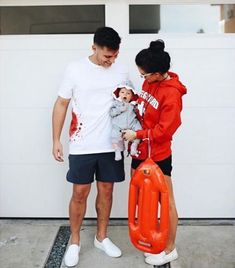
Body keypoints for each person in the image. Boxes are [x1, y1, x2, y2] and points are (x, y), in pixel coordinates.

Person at [52, 26, 129, 267]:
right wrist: (56, 139)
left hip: (111, 144)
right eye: (107, 56)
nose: (111, 60)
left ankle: (101, 237)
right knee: (79, 193)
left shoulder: (122, 70)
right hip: (82, 143)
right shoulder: (75, 69)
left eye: (115, 55)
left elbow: (129, 102)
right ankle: (74, 241)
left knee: (106, 191)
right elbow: (62, 104)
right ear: (93, 47)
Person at [123, 39, 187, 266]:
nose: (144, 80)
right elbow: (147, 105)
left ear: (160, 73)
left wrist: (137, 135)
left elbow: (164, 131)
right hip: (140, 151)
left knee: (166, 202)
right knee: (142, 199)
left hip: (158, 156)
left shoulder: (172, 94)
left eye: (145, 76)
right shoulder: (152, 83)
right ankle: (152, 239)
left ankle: (169, 249)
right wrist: (134, 98)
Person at [110, 80, 141, 161]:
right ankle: (117, 151)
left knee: (139, 130)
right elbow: (111, 113)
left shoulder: (132, 104)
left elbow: (137, 113)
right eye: (122, 92)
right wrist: (120, 109)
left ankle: (134, 146)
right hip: (118, 126)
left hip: (131, 124)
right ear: (118, 94)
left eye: (128, 93)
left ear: (131, 96)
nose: (125, 95)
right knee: (114, 136)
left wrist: (137, 106)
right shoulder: (116, 103)